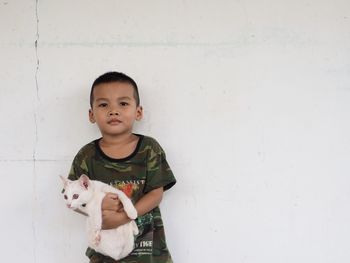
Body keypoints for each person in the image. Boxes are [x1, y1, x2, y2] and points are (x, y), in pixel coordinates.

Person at [68, 71, 176, 263]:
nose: (113, 110)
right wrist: (96, 208)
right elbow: (72, 198)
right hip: (104, 252)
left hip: (148, 253)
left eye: (123, 103)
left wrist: (122, 217)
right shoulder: (86, 156)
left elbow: (156, 194)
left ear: (138, 112)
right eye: (103, 104)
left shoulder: (149, 149)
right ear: (92, 115)